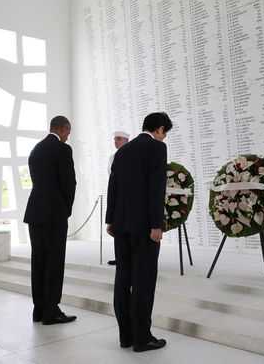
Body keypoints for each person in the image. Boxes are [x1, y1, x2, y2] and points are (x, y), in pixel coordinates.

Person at [106, 112, 172, 352]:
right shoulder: (156, 148)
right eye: (165, 134)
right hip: (144, 227)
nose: (163, 138)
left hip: (121, 225)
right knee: (143, 281)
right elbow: (156, 188)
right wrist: (156, 225)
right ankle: (143, 338)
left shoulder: (122, 152)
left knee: (123, 279)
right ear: (160, 129)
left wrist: (110, 219)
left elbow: (112, 186)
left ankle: (126, 336)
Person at [24, 115, 77, 324]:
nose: (67, 138)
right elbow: (69, 183)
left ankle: (39, 310)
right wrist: (66, 208)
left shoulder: (36, 149)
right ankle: (51, 311)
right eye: (67, 134)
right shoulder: (63, 150)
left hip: (35, 211)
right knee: (54, 262)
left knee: (39, 261)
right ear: (63, 129)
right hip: (54, 213)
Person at [107, 130, 130, 266]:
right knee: (117, 227)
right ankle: (120, 256)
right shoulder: (112, 156)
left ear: (126, 140)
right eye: (115, 139)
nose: (116, 141)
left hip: (127, 197)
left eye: (119, 139)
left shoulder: (132, 155)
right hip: (116, 193)